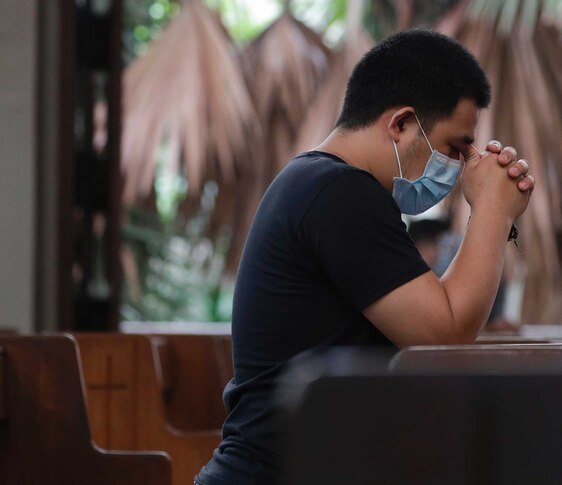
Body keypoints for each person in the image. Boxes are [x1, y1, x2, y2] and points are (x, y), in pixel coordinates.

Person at [195, 30, 534, 485]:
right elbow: (443, 333)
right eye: (455, 148)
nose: (458, 169)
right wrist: (492, 208)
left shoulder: (322, 185)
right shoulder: (339, 193)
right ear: (400, 124)